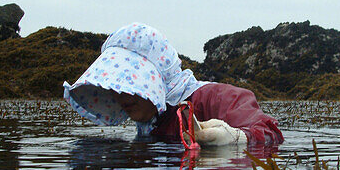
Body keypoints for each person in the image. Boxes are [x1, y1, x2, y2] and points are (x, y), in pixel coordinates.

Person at [63, 23, 283, 146]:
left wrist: (237, 138)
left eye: (131, 84)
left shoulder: (219, 97)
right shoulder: (149, 120)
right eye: (117, 85)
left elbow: (270, 133)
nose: (122, 96)